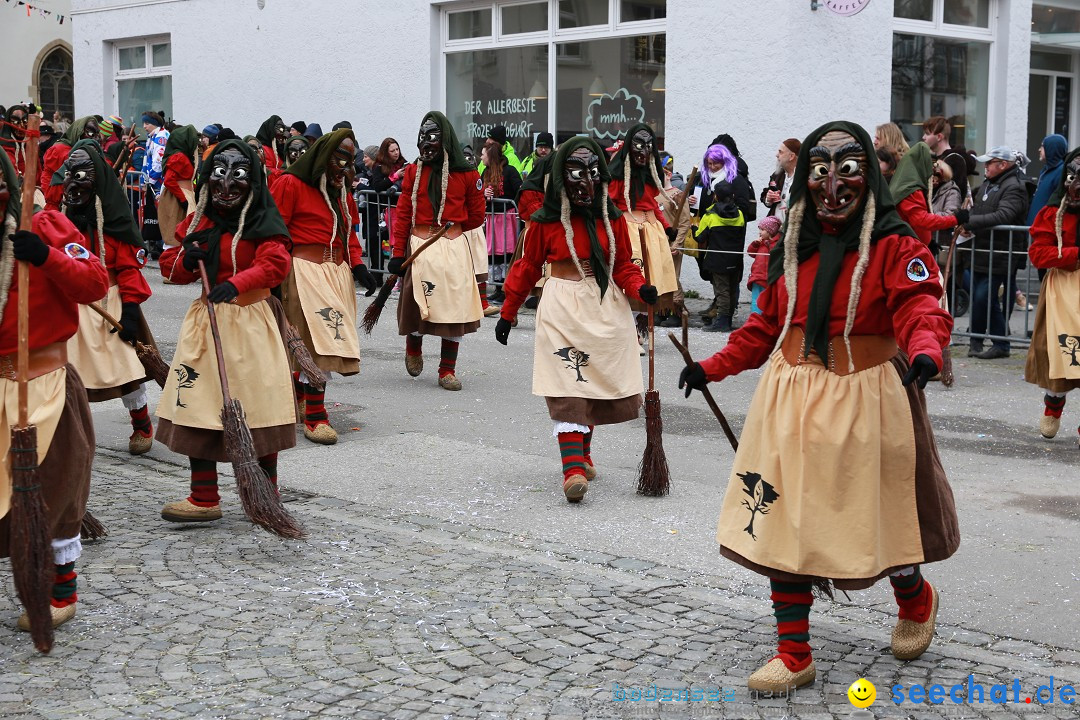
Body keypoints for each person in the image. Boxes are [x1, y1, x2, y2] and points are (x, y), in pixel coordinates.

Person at [678, 121, 958, 695]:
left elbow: (920, 305)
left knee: (876, 516)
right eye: (820, 171)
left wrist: (926, 351)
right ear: (806, 178)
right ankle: (795, 652)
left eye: (848, 170)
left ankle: (914, 597)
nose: (833, 185)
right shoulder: (791, 248)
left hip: (867, 398)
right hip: (791, 397)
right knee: (784, 521)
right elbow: (763, 327)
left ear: (870, 178)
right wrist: (712, 365)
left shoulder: (895, 243)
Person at [494, 137, 656, 503]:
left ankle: (582, 452)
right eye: (577, 173)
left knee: (594, 381)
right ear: (562, 177)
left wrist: (641, 288)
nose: (586, 181)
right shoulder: (544, 222)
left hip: (603, 303)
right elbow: (526, 267)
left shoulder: (612, 219)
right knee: (568, 383)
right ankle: (572, 471)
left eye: (593, 172)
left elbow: (624, 266)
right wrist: (508, 312)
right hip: (562, 306)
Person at [157, 138, 297, 523]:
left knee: (259, 406)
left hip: (251, 322)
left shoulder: (262, 220)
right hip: (207, 325)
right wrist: (188, 258)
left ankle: (266, 495)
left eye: (237, 176)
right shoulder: (199, 219)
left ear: (252, 181)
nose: (227, 186)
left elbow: (276, 264)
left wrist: (238, 283)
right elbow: (169, 266)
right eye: (219, 176)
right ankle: (204, 497)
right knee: (198, 405)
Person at [0, 147, 109, 634]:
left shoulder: (45, 223)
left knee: (52, 486)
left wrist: (44, 257)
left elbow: (93, 283)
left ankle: (60, 589)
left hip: (43, 383)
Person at [271, 128, 377, 443]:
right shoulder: (290, 184)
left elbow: (349, 233)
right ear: (324, 157)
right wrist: (274, 275)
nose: (344, 170)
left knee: (328, 341)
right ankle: (316, 417)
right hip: (303, 271)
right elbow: (275, 232)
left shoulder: (341, 192)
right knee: (317, 344)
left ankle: (301, 400)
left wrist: (357, 264)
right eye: (339, 161)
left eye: (349, 163)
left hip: (336, 273)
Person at [60, 140, 157, 456]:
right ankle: (70, 432)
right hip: (72, 305)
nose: (75, 182)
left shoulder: (113, 219)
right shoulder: (60, 215)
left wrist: (130, 309)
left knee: (124, 367)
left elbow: (129, 269)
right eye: (71, 174)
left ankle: (141, 423)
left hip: (109, 302)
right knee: (69, 372)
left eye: (83, 174)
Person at [388, 111, 485, 391]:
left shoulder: (466, 173)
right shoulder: (413, 171)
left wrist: (452, 228)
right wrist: (397, 253)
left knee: (454, 309)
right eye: (422, 138)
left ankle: (447, 369)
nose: (425, 144)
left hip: (453, 247)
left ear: (445, 140)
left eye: (432, 138)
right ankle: (414, 348)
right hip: (419, 246)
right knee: (419, 303)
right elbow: (404, 213)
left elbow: (477, 216)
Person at [1024, 147, 1080, 446]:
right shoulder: (1051, 212)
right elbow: (1038, 253)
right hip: (1063, 289)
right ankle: (1053, 404)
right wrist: (1074, 255)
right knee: (1061, 352)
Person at [608, 123, 680, 343]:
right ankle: (626, 330)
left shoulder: (652, 176)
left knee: (651, 280)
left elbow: (653, 207)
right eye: (638, 145)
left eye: (648, 146)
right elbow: (609, 205)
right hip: (627, 231)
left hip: (652, 234)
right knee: (631, 277)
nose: (643, 151)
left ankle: (641, 329)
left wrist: (667, 229)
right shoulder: (618, 175)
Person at [960, 146, 1030, 359]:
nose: (986, 166)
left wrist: (969, 222)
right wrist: (964, 216)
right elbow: (980, 209)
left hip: (1001, 252)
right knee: (980, 297)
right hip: (983, 250)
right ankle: (977, 340)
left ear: (1003, 165)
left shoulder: (1015, 187)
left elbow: (1003, 215)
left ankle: (1001, 344)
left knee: (984, 297)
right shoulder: (990, 183)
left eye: (990, 162)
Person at [694, 142, 750, 324]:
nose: (712, 167)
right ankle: (720, 310)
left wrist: (721, 217)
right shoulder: (703, 179)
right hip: (710, 235)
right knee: (716, 278)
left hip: (728, 238)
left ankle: (724, 314)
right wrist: (692, 201)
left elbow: (744, 209)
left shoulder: (736, 180)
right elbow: (700, 205)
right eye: (709, 163)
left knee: (727, 280)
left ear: (724, 161)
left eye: (716, 163)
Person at [889, 142, 964, 249]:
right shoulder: (911, 190)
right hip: (907, 248)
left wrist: (928, 241)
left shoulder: (906, 186)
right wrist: (954, 219)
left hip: (911, 244)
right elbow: (921, 221)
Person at [695, 180, 746, 333]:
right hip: (735, 258)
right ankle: (728, 320)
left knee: (721, 290)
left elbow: (699, 237)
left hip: (717, 259)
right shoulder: (740, 213)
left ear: (716, 196)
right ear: (732, 196)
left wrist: (693, 228)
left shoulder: (710, 215)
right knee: (731, 289)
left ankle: (722, 322)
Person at [481, 140, 522, 303]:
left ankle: (507, 290)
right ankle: (498, 289)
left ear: (490, 156)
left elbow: (519, 190)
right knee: (494, 254)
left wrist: (502, 199)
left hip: (506, 219)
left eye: (483, 154)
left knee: (506, 252)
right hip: (492, 218)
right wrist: (485, 194)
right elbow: (477, 192)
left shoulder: (510, 171)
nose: (481, 157)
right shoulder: (486, 172)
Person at [655, 152, 692, 327]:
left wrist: (677, 243)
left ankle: (677, 310)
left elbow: (685, 221)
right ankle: (662, 310)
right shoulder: (654, 194)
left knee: (672, 277)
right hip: (658, 242)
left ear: (667, 174)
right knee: (659, 276)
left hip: (673, 243)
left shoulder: (677, 194)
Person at [460, 143, 496, 317]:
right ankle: (463, 302)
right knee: (462, 267)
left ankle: (482, 303)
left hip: (474, 227)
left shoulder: (476, 178)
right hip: (461, 228)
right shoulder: (456, 178)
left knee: (479, 264)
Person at [41, 116, 102, 212]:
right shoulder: (59, 149)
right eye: (90, 133)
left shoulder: (85, 152)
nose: (95, 139)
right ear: (79, 131)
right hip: (58, 206)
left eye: (97, 135)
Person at [159, 124, 199, 248]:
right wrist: (182, 199)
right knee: (176, 229)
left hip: (184, 194)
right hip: (178, 197)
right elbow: (169, 180)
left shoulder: (182, 155)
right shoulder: (178, 157)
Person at [140, 111, 169, 259]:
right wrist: (143, 179)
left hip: (159, 183)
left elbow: (158, 161)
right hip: (152, 182)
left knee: (163, 215)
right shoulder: (151, 137)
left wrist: (149, 180)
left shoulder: (161, 136)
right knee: (156, 215)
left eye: (147, 123)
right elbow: (147, 160)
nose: (144, 126)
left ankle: (165, 248)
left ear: (155, 124)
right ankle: (159, 245)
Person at [746, 215, 781, 315]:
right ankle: (755, 318)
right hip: (757, 277)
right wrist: (755, 244)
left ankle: (766, 318)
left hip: (770, 278)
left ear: (770, 231)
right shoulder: (760, 243)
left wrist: (770, 244)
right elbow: (751, 253)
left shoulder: (776, 244)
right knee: (756, 300)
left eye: (762, 229)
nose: (760, 232)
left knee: (769, 301)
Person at [761, 138, 800, 223]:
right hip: (775, 230)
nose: (777, 155)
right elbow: (765, 195)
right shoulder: (777, 175)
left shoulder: (802, 178)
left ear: (791, 156)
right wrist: (768, 198)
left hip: (793, 228)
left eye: (780, 152)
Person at [0, 104, 30, 177]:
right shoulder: (6, 143)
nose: (21, 126)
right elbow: (10, 170)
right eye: (16, 122)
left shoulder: (30, 142)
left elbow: (38, 169)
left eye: (24, 121)